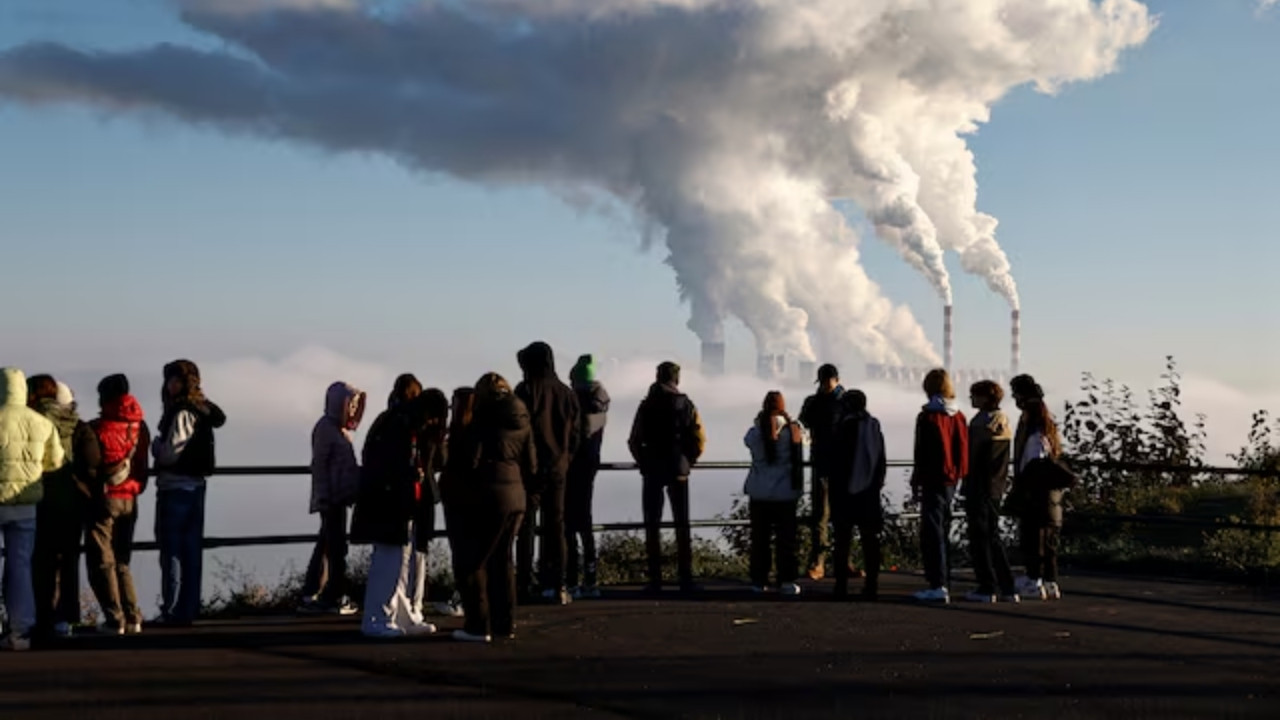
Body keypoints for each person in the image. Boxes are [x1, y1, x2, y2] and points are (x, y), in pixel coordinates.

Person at [351, 387, 448, 638]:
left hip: (397, 503)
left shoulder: (397, 422)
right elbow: (390, 465)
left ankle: (398, 614)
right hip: (391, 503)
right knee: (390, 560)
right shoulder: (399, 427)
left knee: (399, 561)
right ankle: (378, 618)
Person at [453, 373, 535, 643]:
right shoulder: (522, 418)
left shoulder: (483, 418)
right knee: (503, 561)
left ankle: (477, 625)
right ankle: (505, 623)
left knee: (473, 561)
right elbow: (531, 463)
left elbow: (470, 460)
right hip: (517, 497)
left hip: (488, 496)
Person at [152, 360, 226, 626]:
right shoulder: (202, 409)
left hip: (175, 487)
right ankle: (189, 607)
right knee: (192, 550)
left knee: (171, 549)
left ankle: (172, 609)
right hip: (196, 487)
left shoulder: (183, 411)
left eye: (174, 380)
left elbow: (172, 452)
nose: (169, 385)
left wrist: (156, 448)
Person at [28, 376, 99, 639]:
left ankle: (39, 616)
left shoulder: (33, 422)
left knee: (40, 562)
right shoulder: (79, 427)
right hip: (73, 502)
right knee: (68, 561)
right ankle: (65, 619)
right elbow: (94, 461)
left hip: (39, 499)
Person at [0, 368, 65, 651]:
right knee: (21, 566)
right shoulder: (40, 423)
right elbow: (55, 462)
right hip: (27, 503)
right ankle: (20, 631)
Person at [628, 361, 705, 594]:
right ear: (677, 379)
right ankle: (685, 578)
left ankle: (655, 580)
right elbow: (699, 438)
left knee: (652, 525)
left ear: (657, 377)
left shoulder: (646, 405)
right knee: (682, 524)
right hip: (678, 469)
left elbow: (634, 439)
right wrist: (688, 461)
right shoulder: (686, 404)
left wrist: (643, 461)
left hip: (652, 469)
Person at [514, 342, 580, 605]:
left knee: (526, 527)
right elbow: (576, 435)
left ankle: (524, 583)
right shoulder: (567, 393)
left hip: (530, 471)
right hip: (559, 469)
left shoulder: (526, 390)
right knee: (556, 527)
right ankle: (557, 583)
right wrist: (565, 459)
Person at [85, 374, 150, 635]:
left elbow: (91, 465)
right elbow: (143, 462)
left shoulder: (98, 427)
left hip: (105, 497)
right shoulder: (139, 427)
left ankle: (115, 619)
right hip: (131, 499)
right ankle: (134, 617)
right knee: (122, 560)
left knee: (103, 560)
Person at [300, 381, 366, 615]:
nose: (353, 409)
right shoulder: (327, 429)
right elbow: (319, 464)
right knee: (336, 547)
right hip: (333, 498)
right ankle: (331, 595)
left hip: (339, 496)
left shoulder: (338, 429)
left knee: (328, 544)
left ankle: (312, 592)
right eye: (351, 403)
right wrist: (324, 495)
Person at [909, 368, 969, 604]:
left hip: (933, 478)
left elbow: (921, 452)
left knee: (932, 531)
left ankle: (938, 584)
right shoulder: (959, 416)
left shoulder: (927, 417)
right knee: (943, 527)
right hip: (952, 479)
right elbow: (962, 449)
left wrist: (917, 480)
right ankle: (945, 580)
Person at [961, 380, 1019, 604]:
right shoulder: (1003, 422)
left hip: (979, 486)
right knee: (993, 536)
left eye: (974, 395)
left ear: (985, 397)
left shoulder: (980, 424)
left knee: (979, 537)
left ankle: (986, 586)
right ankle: (1007, 586)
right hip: (996, 486)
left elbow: (972, 457)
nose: (971, 399)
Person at [1009, 375, 1065, 601]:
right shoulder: (1047, 426)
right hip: (1051, 495)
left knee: (1033, 538)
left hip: (1035, 492)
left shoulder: (1031, 429)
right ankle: (1050, 580)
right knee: (1049, 540)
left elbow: (1032, 461)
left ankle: (1034, 580)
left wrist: (1023, 485)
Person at [743, 391, 804, 596]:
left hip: (759, 493)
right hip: (786, 493)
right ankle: (786, 580)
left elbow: (747, 440)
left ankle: (759, 581)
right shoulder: (792, 431)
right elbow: (804, 442)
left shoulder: (756, 432)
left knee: (760, 540)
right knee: (786, 540)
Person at [830, 390, 887, 601]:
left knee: (842, 540)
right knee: (870, 541)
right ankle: (872, 585)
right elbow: (881, 459)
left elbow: (837, 461)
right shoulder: (873, 426)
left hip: (845, 494)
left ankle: (841, 586)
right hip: (870, 493)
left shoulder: (844, 427)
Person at [566, 354, 609, 599]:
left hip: (573, 466)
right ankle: (590, 577)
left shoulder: (578, 404)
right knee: (585, 521)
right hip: (590, 465)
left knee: (569, 524)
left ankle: (572, 577)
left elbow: (576, 438)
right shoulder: (600, 401)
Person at [798, 363, 845, 581]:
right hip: (823, 463)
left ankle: (843, 561)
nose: (825, 386)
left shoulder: (844, 401)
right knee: (821, 515)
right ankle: (819, 561)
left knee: (841, 515)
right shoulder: (815, 402)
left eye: (827, 381)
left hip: (838, 463)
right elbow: (804, 421)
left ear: (834, 379)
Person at [441, 388, 477, 612]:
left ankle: (463, 597)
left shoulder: (456, 434)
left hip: (455, 496)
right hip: (472, 497)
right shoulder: (478, 433)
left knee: (461, 550)